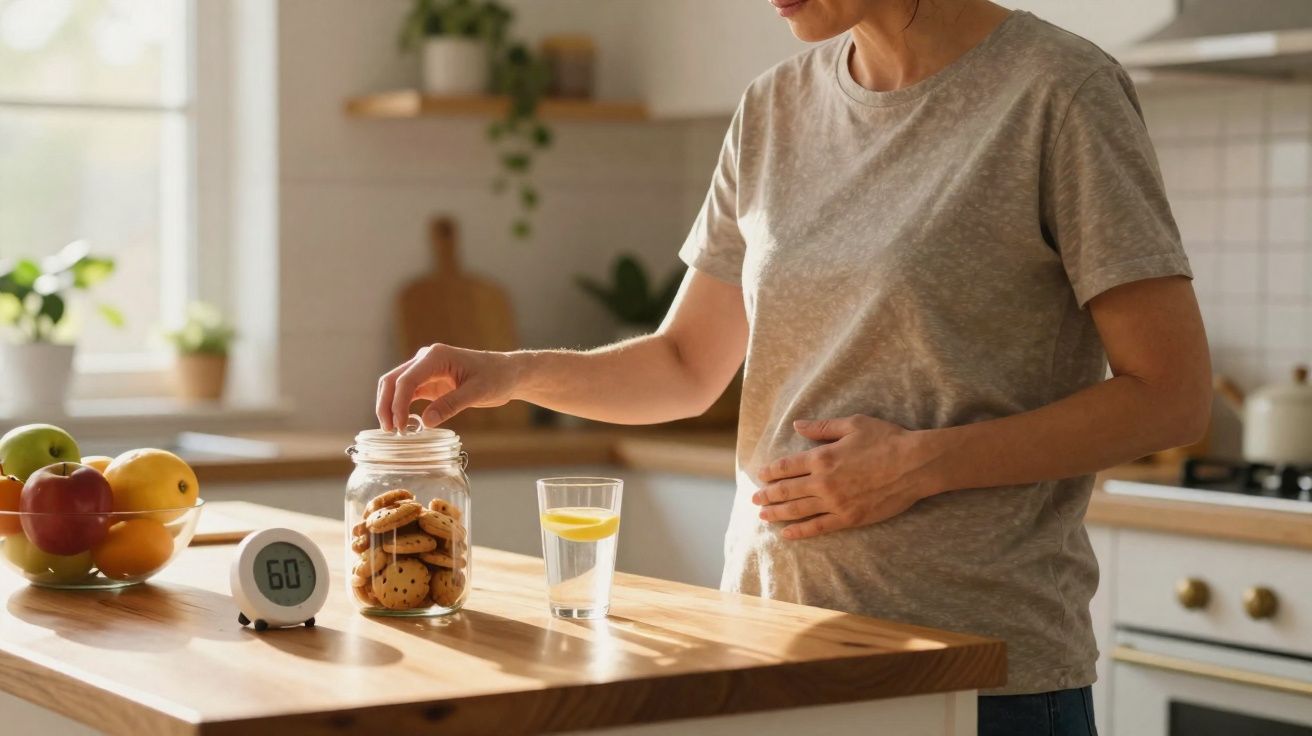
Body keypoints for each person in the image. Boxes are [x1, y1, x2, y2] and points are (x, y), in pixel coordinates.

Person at [376, 1, 1211, 733]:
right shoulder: (773, 108)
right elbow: (683, 364)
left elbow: (1170, 398)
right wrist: (510, 372)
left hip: (978, 670)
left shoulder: (1058, 91)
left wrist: (918, 465)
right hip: (775, 646)